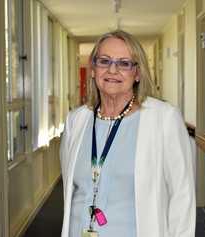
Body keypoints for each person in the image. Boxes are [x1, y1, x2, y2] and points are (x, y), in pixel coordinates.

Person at [60, 30, 196, 237]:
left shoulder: (163, 118)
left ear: (138, 73)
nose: (112, 70)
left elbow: (182, 196)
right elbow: (71, 192)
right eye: (104, 61)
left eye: (124, 63)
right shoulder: (76, 121)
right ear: (94, 69)